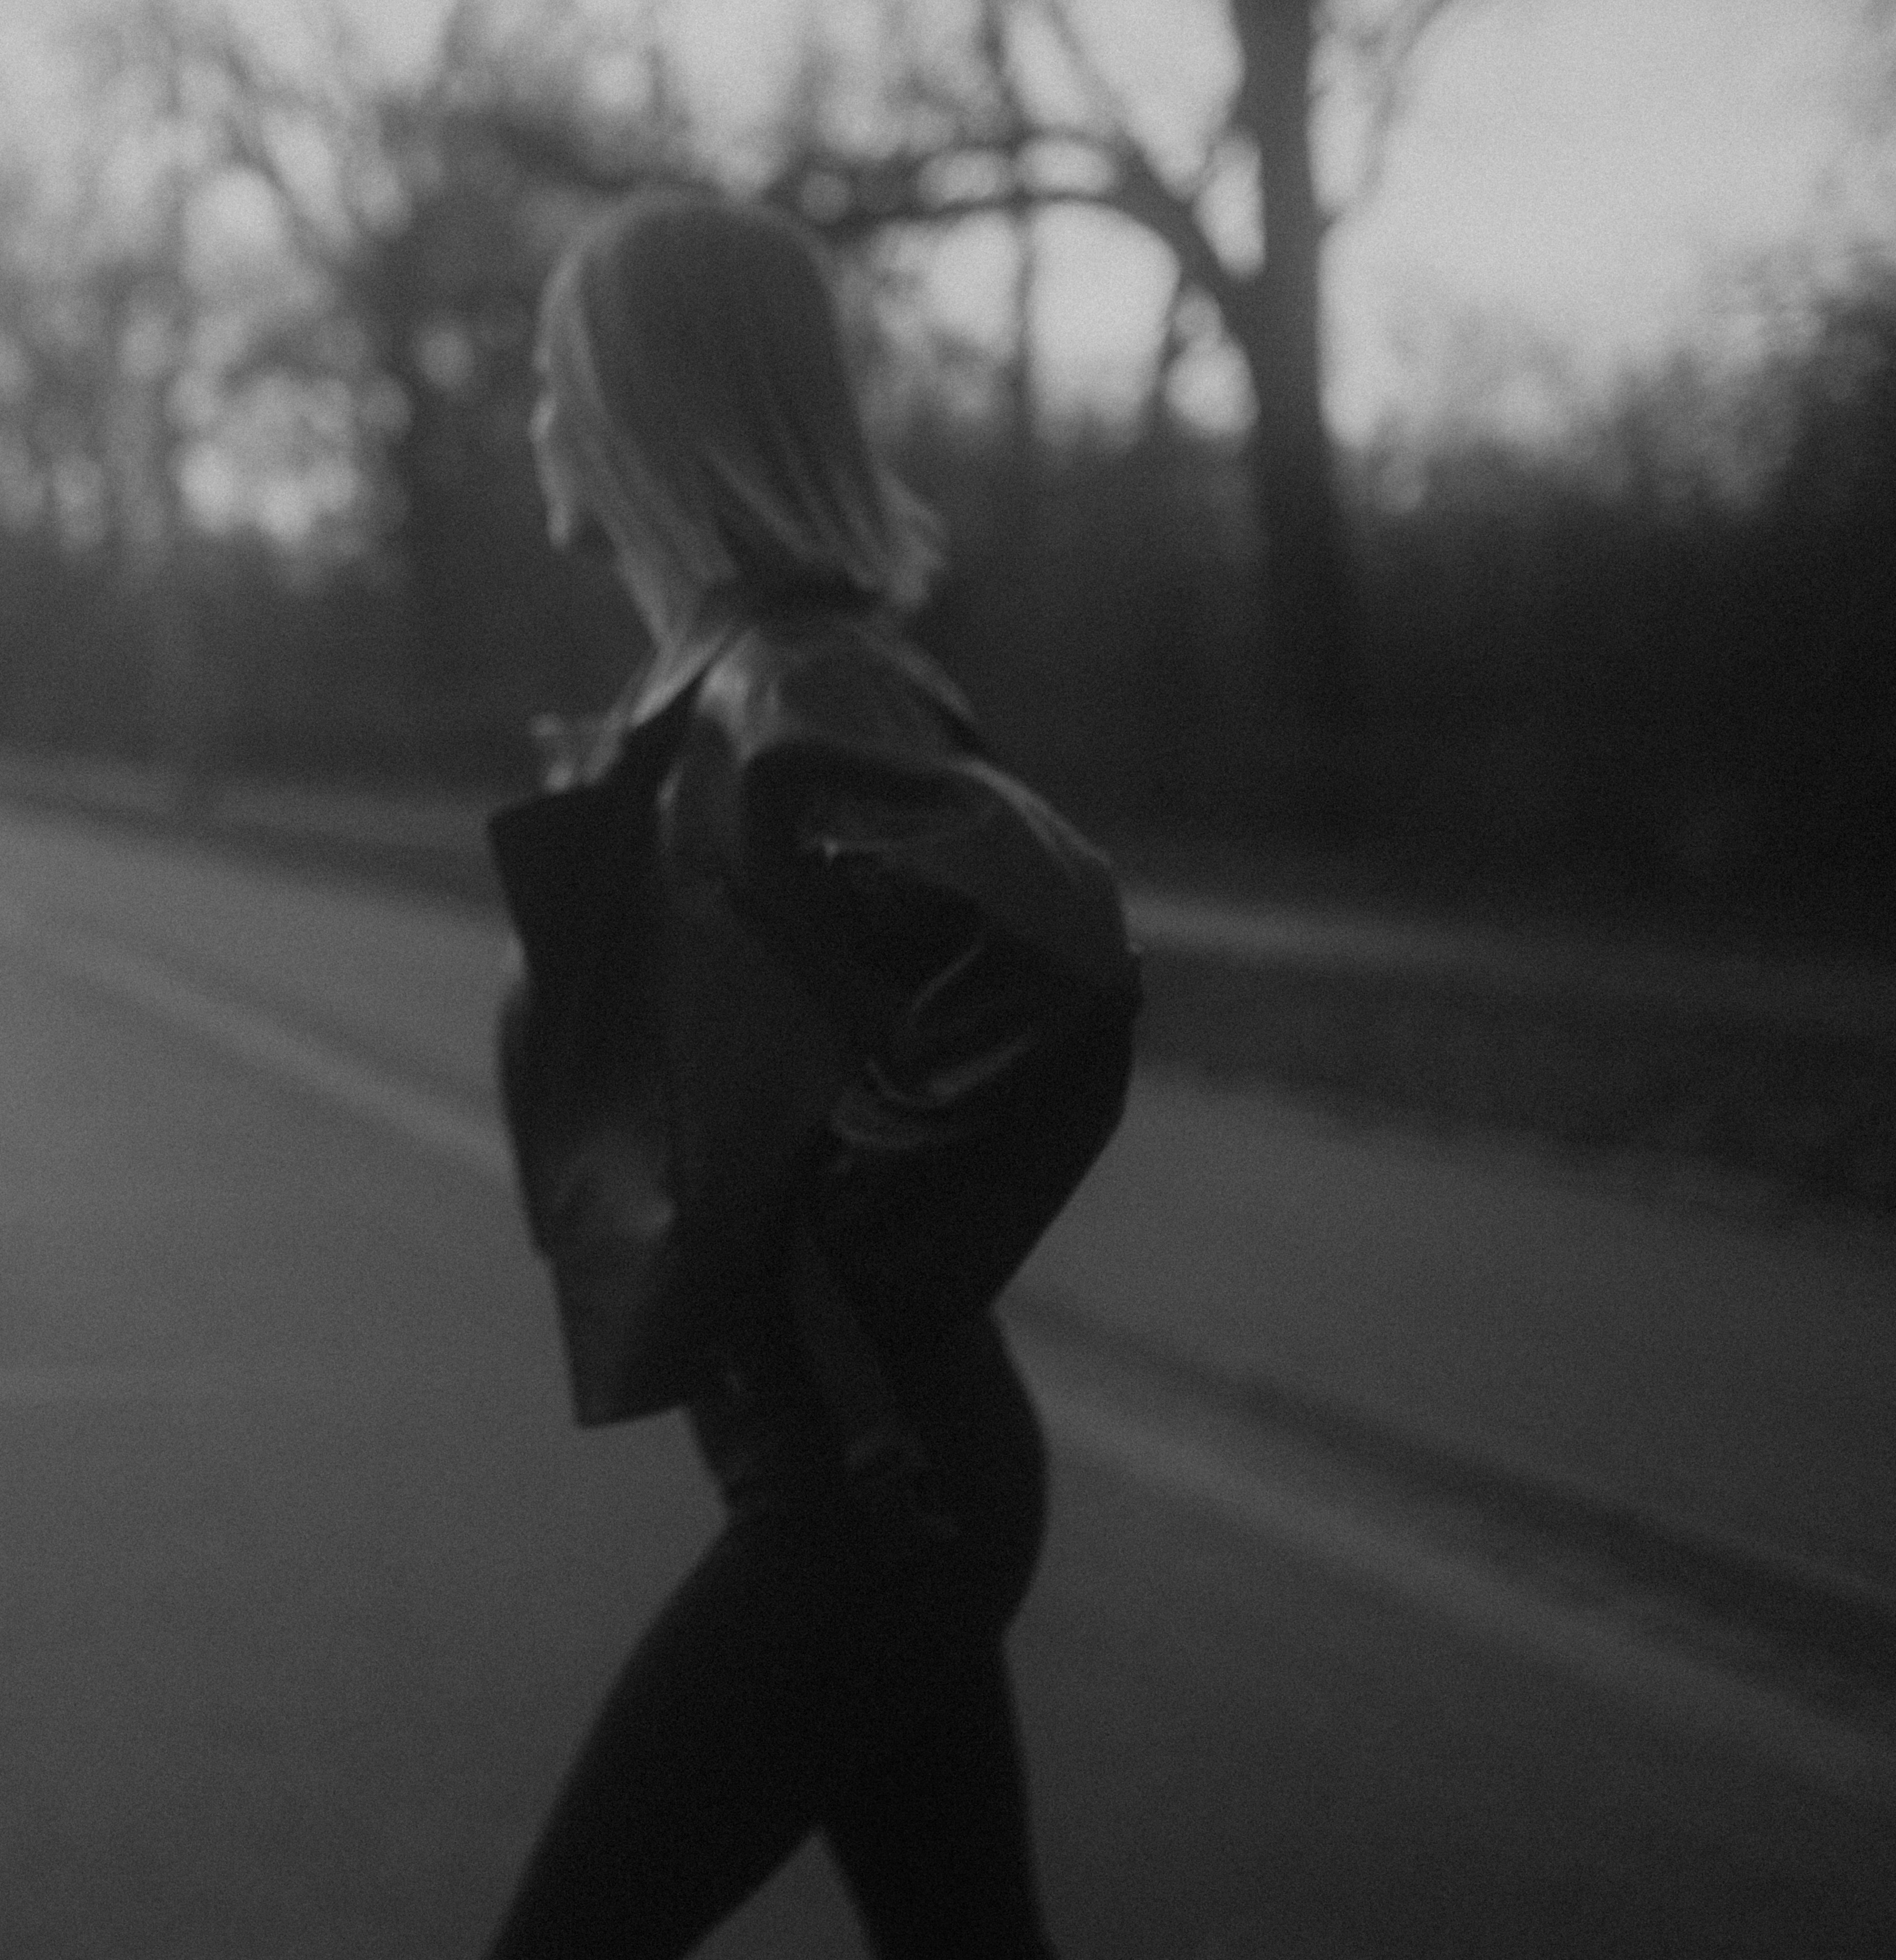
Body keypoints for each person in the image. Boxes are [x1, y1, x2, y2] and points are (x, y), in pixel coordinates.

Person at [483, 193, 1142, 1959]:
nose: (537, 421)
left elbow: (1055, 966)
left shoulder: (795, 687)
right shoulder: (713, 681)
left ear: (639, 407)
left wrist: (837, 1249)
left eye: (558, 383)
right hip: (868, 1480)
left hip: (870, 1504)